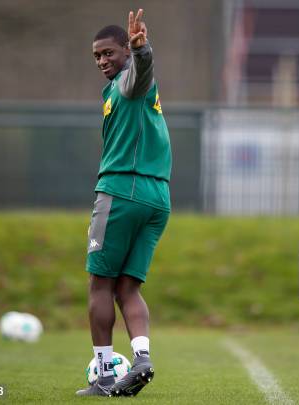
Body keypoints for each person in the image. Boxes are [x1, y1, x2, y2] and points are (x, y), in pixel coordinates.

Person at [76, 8, 171, 397]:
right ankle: (142, 358)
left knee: (100, 283)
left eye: (109, 53)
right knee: (127, 288)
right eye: (97, 55)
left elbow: (142, 69)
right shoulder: (119, 89)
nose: (102, 60)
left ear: (125, 55)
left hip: (121, 193)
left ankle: (104, 377)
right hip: (157, 198)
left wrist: (141, 48)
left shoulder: (131, 82)